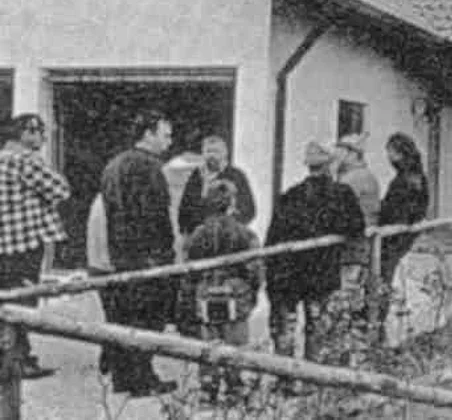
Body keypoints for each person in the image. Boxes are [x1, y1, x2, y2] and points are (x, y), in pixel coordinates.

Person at [265, 141, 365, 395]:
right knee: (317, 327)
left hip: (287, 274)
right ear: (330, 165)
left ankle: (285, 382)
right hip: (320, 273)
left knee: (286, 329)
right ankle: (312, 382)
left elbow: (273, 238)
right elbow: (356, 227)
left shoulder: (290, 196)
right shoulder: (341, 194)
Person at [99, 110, 177, 397]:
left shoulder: (114, 165)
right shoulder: (150, 167)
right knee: (148, 319)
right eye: (165, 135)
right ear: (148, 133)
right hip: (148, 256)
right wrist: (166, 252)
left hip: (120, 255)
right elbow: (156, 217)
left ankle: (123, 378)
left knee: (123, 316)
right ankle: (143, 378)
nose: (169, 142)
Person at [0, 114, 71, 379]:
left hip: (3, 242)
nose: (43, 137)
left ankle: (13, 356)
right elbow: (61, 190)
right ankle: (18, 360)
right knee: (24, 301)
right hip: (25, 240)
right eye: (39, 131)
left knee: (6, 298)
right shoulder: (26, 161)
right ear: (24, 133)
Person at [181, 179, 264, 405]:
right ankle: (235, 388)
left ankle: (208, 388)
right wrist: (252, 294)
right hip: (235, 292)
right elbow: (255, 270)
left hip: (206, 291)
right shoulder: (245, 233)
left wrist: (191, 296)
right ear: (232, 203)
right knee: (235, 342)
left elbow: (188, 271)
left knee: (209, 342)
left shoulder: (198, 235)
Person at [375, 133, 429, 339]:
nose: (387, 157)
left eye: (390, 152)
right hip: (404, 234)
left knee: (383, 276)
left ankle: (377, 324)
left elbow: (397, 211)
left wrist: (382, 212)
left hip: (394, 235)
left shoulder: (403, 180)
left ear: (399, 153)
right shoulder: (418, 176)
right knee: (386, 275)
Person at [335, 133, 379, 320]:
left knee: (346, 292)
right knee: (355, 292)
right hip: (363, 244)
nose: (338, 154)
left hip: (351, 245)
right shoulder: (368, 176)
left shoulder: (351, 179)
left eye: (342, 150)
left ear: (353, 154)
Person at [177, 135, 256, 238]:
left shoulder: (236, 176)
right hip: (199, 237)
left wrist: (229, 226)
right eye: (208, 151)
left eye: (216, 151)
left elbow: (249, 210)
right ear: (203, 154)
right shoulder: (196, 176)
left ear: (224, 154)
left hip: (228, 237)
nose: (212, 155)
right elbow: (184, 210)